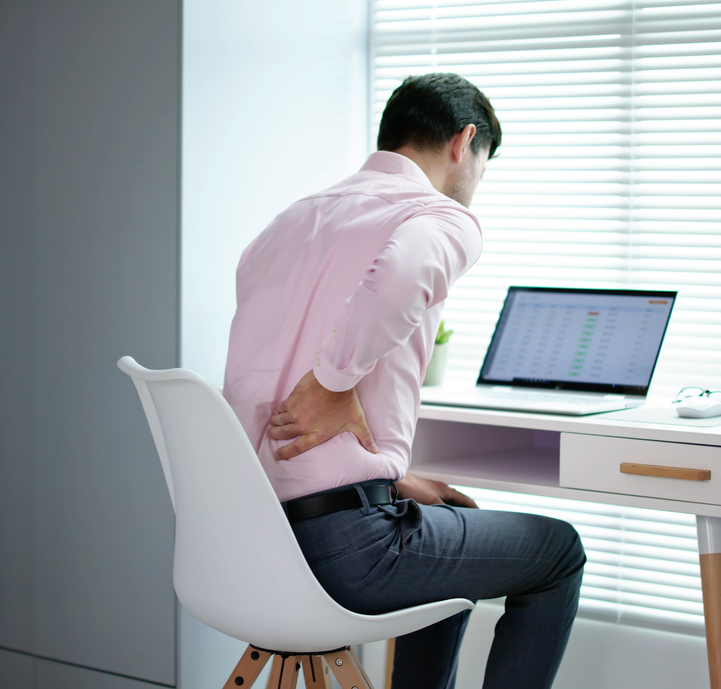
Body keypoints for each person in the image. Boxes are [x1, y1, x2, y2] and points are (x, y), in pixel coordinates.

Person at [222, 73, 586, 689]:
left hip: (254, 549)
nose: (475, 184)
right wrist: (334, 382)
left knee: (445, 528)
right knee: (559, 552)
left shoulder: (289, 222)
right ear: (463, 142)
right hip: (346, 555)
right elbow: (400, 277)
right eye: (483, 164)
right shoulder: (438, 216)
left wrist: (391, 475)